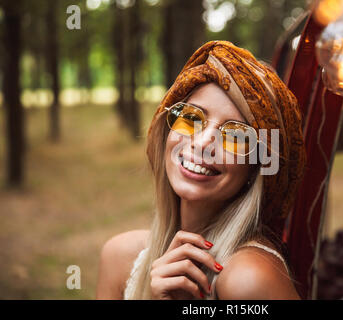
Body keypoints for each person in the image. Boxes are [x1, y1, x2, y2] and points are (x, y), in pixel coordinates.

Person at [96, 41, 306, 300]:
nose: (204, 141)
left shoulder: (249, 278)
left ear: (256, 168)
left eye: (235, 135)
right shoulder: (119, 257)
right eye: (191, 118)